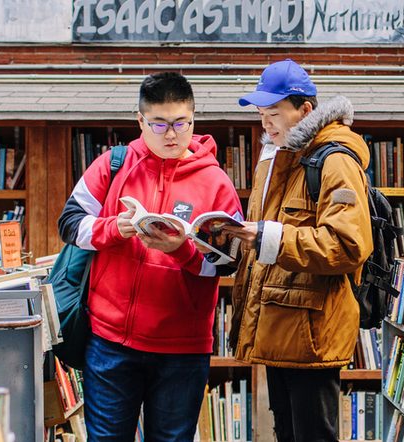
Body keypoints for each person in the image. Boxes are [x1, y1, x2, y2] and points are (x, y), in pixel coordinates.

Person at [57, 72, 242, 441]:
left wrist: (183, 251)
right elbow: (69, 223)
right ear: (141, 121)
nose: (171, 134)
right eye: (159, 124)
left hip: (182, 350)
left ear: (193, 119)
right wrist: (115, 229)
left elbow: (229, 262)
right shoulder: (114, 165)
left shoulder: (216, 183)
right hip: (110, 343)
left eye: (181, 123)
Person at [222, 59, 373, 442]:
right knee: (286, 432)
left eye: (273, 113)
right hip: (279, 327)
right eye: (260, 115)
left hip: (311, 332)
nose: (265, 124)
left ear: (305, 110)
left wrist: (269, 239)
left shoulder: (335, 160)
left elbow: (347, 244)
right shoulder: (278, 159)